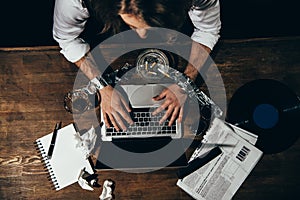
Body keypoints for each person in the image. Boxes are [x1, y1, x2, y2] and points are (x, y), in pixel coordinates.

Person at [53, 0, 221, 131]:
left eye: (153, 28)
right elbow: (67, 40)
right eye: (133, 25)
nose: (141, 36)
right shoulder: (74, 2)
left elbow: (207, 30)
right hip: (102, 40)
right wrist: (102, 86)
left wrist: (185, 83)